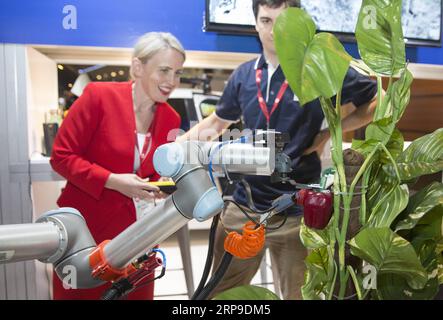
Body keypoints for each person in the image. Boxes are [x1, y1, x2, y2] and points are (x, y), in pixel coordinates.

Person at [178, 0, 378, 300]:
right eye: (266, 21)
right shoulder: (244, 75)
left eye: (282, 21)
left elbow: (373, 102)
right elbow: (219, 119)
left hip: (296, 211)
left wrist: (328, 131)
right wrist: (177, 149)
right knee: (220, 294)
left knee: (298, 294)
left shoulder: (318, 69)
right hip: (243, 205)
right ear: (256, 24)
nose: (273, 30)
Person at [50, 32, 185, 300]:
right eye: (164, 70)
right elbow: (62, 156)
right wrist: (113, 180)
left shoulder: (171, 117)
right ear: (138, 67)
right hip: (87, 235)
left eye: (178, 73)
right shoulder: (99, 97)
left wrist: (159, 186)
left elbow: (157, 170)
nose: (172, 82)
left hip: (140, 241)